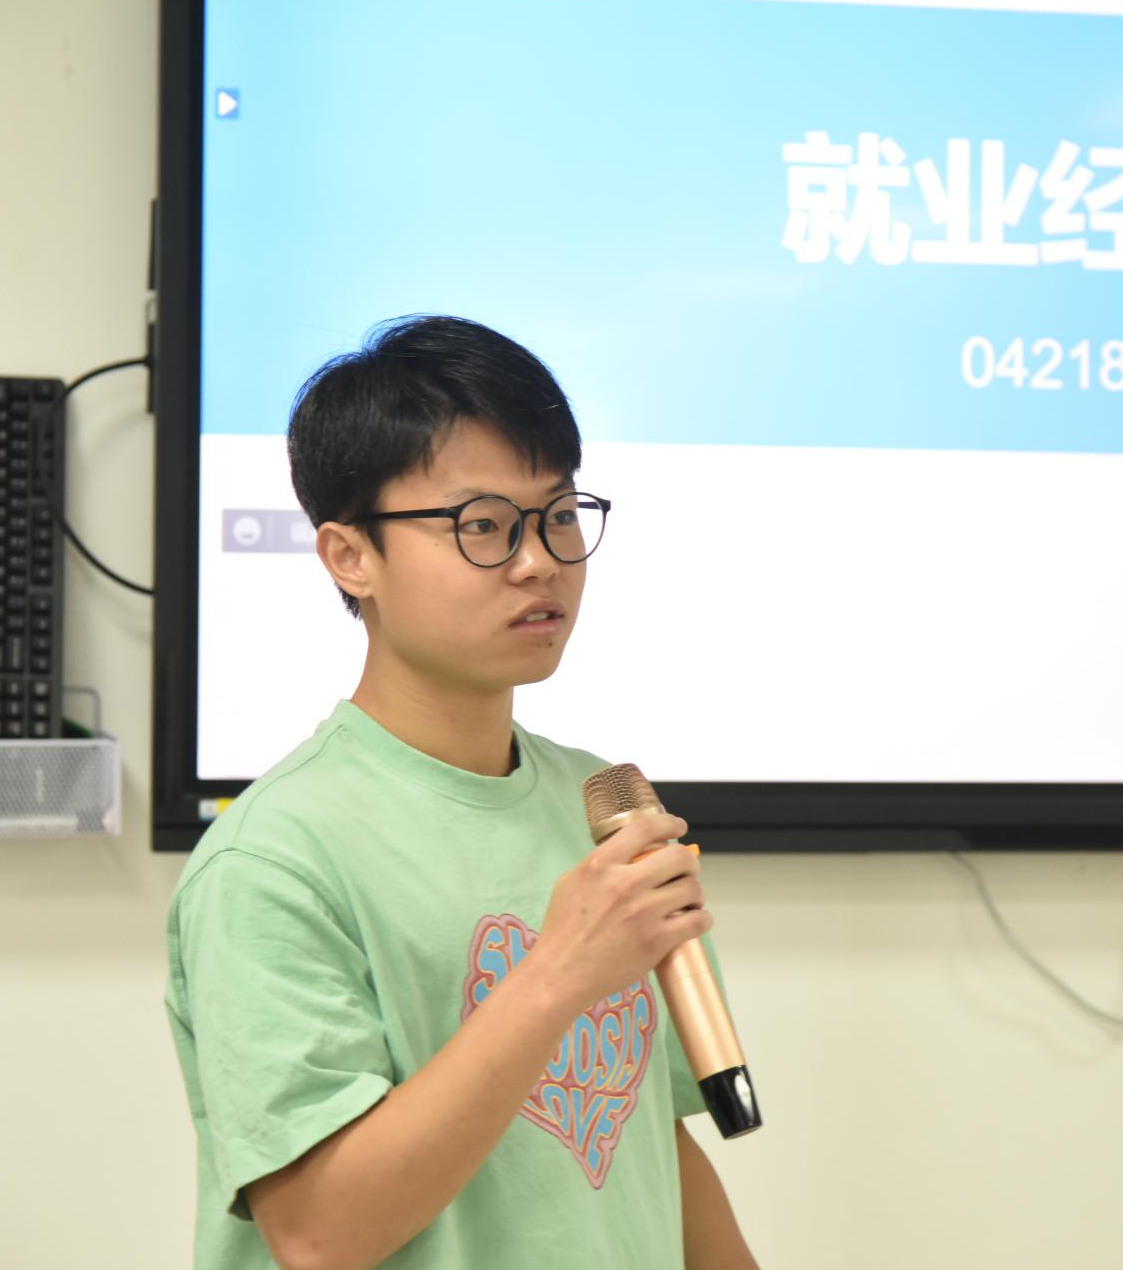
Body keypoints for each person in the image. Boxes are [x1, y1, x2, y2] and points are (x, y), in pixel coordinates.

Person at [165, 315, 759, 1270]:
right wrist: (560, 972)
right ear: (350, 555)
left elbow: (651, 1149)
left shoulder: (599, 803)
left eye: (559, 514)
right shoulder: (273, 859)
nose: (540, 560)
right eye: (483, 524)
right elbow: (319, 1232)